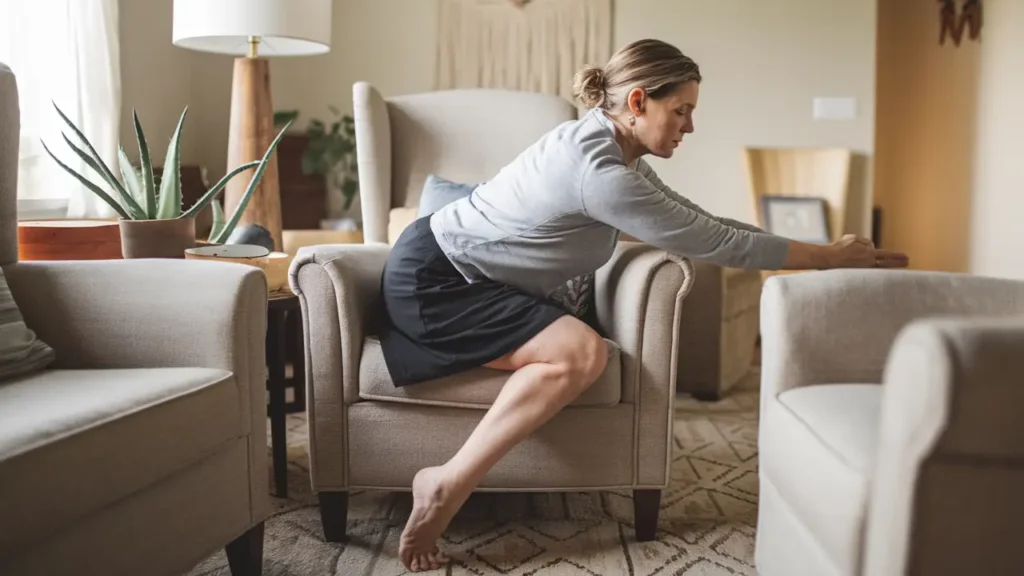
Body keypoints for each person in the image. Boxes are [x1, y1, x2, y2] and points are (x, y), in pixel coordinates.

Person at [378, 38, 909, 571]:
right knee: (581, 354)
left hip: (463, 275)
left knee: (584, 352)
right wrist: (824, 257)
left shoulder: (613, 151)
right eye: (681, 111)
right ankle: (446, 482)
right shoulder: (600, 173)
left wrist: (826, 253)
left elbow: (705, 223)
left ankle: (447, 481)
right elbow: (717, 244)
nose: (689, 126)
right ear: (638, 103)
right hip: (437, 283)